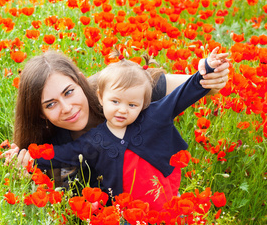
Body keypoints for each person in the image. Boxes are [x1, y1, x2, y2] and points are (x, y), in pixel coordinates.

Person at [31, 48, 228, 211]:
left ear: (144, 103)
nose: (122, 110)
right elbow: (61, 154)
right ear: (101, 98)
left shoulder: (153, 114)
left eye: (132, 105)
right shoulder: (93, 140)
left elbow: (184, 94)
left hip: (166, 204)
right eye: (115, 102)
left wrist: (209, 68)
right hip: (127, 217)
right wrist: (29, 156)